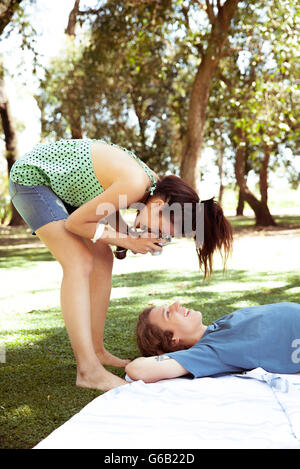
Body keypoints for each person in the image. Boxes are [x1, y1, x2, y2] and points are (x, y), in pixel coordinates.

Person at [8, 138, 232, 391]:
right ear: (159, 206)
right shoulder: (136, 183)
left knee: (103, 259)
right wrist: (129, 239)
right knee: (79, 262)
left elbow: (104, 202)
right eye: (159, 230)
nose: (153, 233)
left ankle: (97, 350)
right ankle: (88, 370)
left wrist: (127, 237)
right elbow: (76, 224)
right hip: (33, 180)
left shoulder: (151, 188)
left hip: (68, 190)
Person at [125, 301, 300, 383]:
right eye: (168, 314)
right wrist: (163, 354)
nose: (176, 304)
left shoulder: (218, 328)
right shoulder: (207, 352)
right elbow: (137, 369)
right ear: (172, 341)